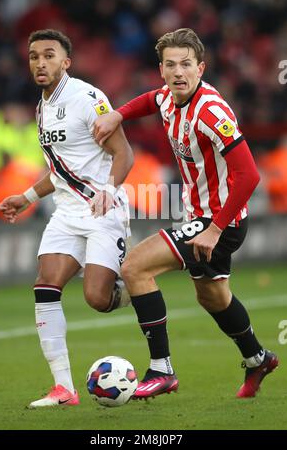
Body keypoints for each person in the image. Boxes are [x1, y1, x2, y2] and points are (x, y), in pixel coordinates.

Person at [94, 28, 279, 399]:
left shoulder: (211, 112)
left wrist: (214, 229)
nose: (178, 72)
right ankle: (258, 358)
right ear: (161, 69)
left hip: (219, 221)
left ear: (201, 68)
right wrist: (117, 114)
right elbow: (150, 100)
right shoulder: (167, 96)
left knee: (135, 268)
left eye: (186, 64)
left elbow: (250, 175)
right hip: (201, 217)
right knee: (212, 297)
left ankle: (161, 369)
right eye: (170, 65)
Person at [0, 29, 134, 408]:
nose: (40, 63)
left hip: (102, 208)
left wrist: (109, 188)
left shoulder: (89, 99)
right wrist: (25, 197)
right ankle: (64, 389)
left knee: (96, 297)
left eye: (49, 56)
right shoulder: (42, 106)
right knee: (45, 285)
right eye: (34, 56)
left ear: (66, 62)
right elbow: (59, 170)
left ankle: (137, 286)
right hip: (66, 212)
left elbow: (124, 154)